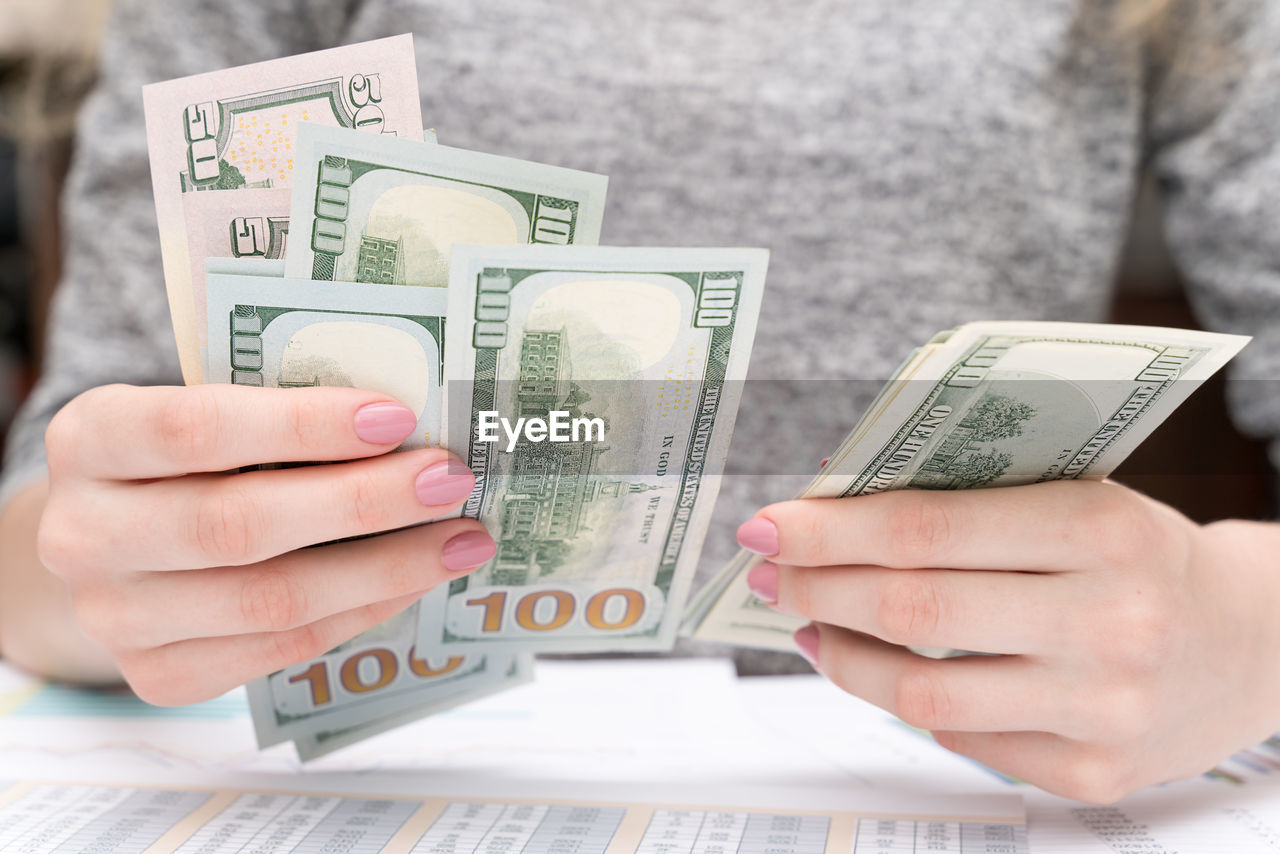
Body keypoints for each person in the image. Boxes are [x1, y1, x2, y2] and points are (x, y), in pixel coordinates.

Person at [1, 0, 1278, 804]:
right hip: (380, 793)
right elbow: (40, 542)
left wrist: (1244, 624)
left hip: (954, 791)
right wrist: (106, 577)